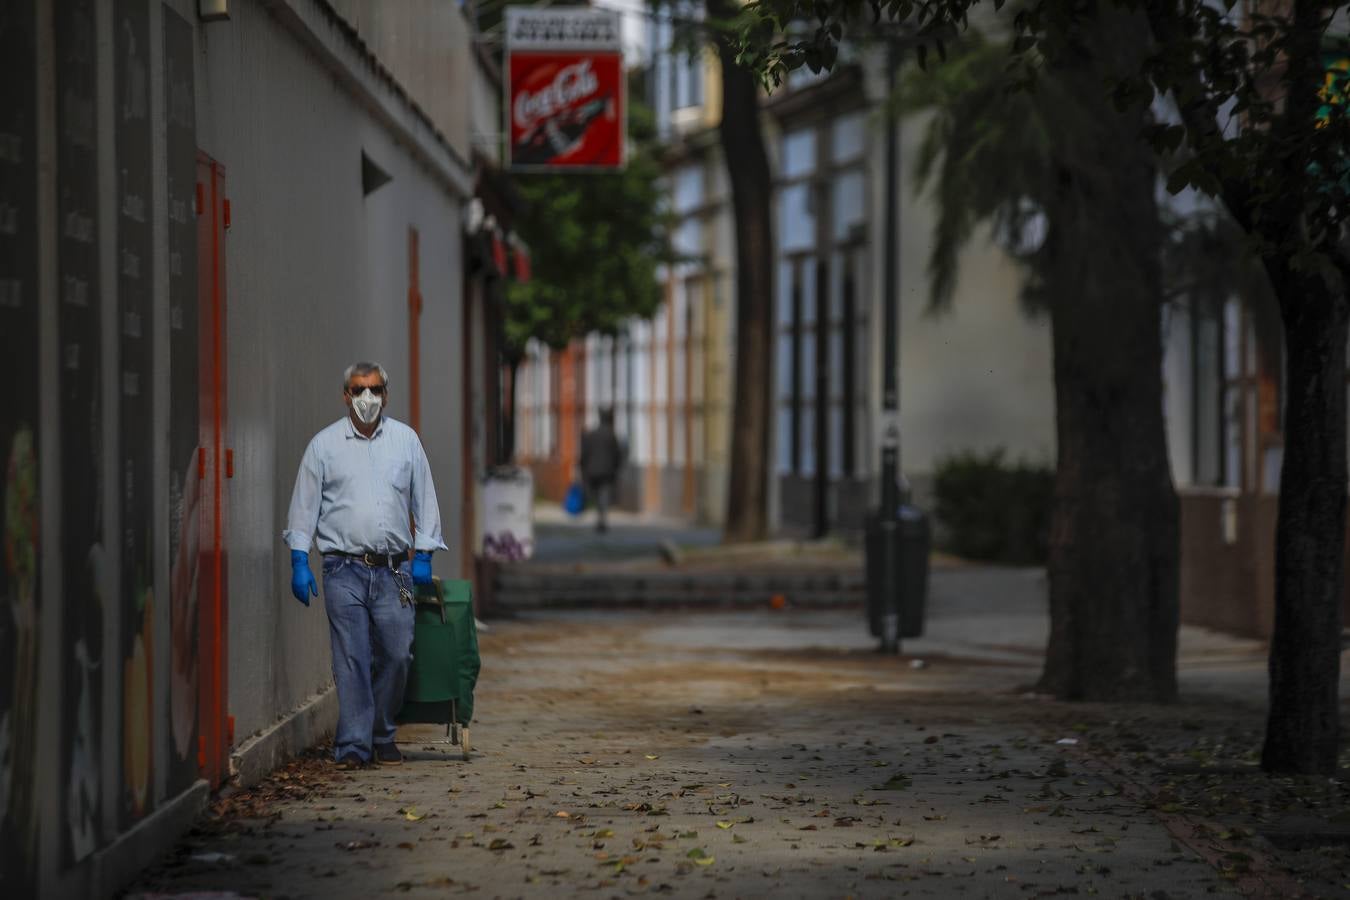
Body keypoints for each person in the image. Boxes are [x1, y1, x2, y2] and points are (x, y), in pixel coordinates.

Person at [282, 362, 447, 769]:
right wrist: (299, 559)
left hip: (394, 572)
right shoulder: (324, 446)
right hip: (343, 569)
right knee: (352, 657)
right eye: (358, 390)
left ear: (386, 394)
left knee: (397, 654)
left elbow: (424, 498)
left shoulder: (405, 442)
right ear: (345, 395)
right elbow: (305, 506)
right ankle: (354, 745)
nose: (367, 398)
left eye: (374, 390)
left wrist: (423, 554)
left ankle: (381, 731)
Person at [579, 407, 623, 533]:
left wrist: (583, 468)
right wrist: (616, 467)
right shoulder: (611, 435)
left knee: (599, 494)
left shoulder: (592, 434)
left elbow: (585, 453)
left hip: (592, 470)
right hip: (607, 471)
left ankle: (600, 519)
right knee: (603, 493)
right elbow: (617, 454)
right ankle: (602, 518)